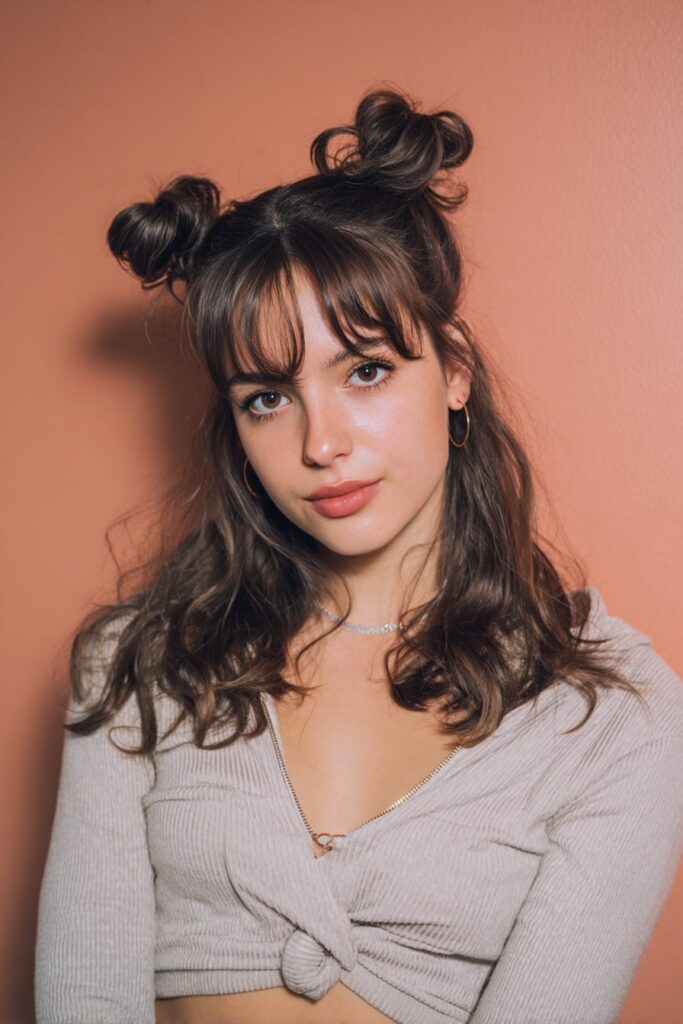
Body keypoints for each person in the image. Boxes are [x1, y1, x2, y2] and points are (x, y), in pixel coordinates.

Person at [34, 86, 683, 1024]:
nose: (320, 443)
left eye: (366, 371)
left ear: (452, 370)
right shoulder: (139, 662)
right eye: (267, 396)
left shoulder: (610, 710)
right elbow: (86, 995)